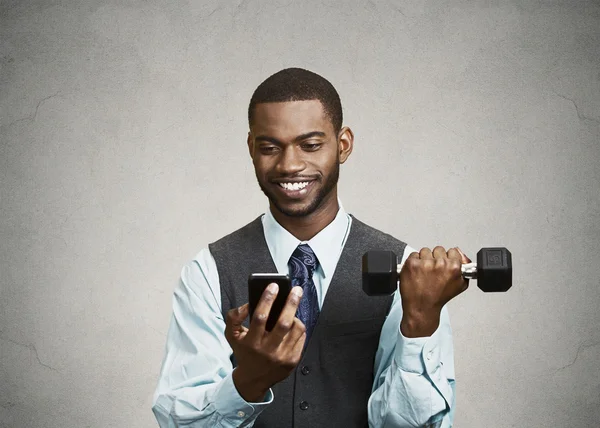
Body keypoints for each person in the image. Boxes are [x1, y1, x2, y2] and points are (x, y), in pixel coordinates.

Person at [152, 67, 471, 427]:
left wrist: (419, 322)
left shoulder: (409, 274)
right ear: (251, 148)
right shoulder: (208, 271)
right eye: (270, 147)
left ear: (344, 145)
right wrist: (248, 381)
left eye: (311, 145)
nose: (289, 165)